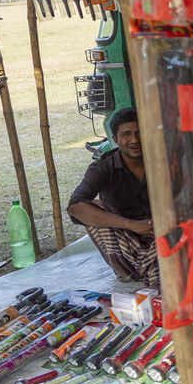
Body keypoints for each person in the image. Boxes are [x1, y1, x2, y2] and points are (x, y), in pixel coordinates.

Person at [68, 107, 159, 286]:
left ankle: (150, 268)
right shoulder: (103, 167)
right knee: (92, 210)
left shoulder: (164, 161)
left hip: (161, 235)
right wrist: (133, 225)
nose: (134, 140)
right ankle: (152, 269)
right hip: (126, 243)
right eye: (126, 134)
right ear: (115, 140)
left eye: (139, 132)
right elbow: (75, 207)